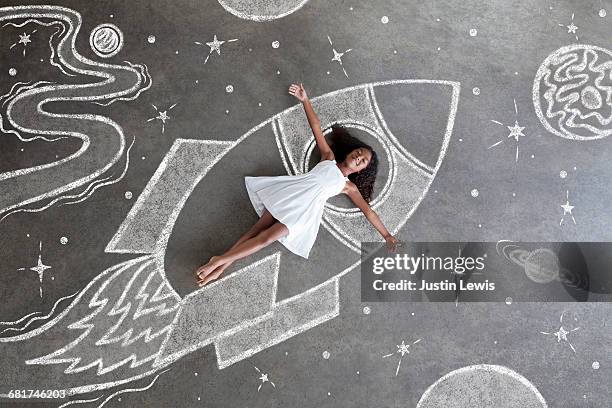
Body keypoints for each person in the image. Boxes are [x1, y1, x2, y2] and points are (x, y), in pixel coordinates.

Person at [196, 83, 399, 287]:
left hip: (303, 213)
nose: (359, 157)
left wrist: (387, 236)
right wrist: (305, 100)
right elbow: (316, 127)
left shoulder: (349, 187)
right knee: (253, 231)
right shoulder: (328, 157)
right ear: (351, 150)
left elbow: (369, 212)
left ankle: (219, 261)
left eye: (363, 160)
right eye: (359, 152)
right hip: (289, 194)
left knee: (265, 238)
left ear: (361, 170)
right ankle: (220, 266)